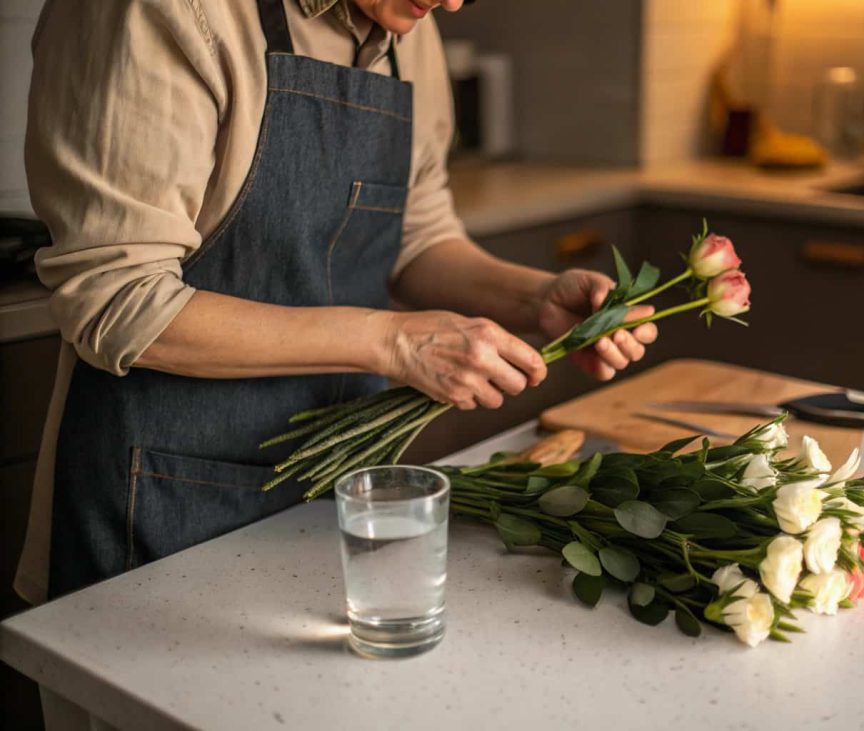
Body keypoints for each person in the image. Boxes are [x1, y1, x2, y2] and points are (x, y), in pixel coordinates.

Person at [15, 0, 658, 604]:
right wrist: (395, 343)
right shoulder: (162, 12)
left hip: (337, 489)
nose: (454, 3)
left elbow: (416, 234)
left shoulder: (409, 23)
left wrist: (537, 298)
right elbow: (120, 300)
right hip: (155, 503)